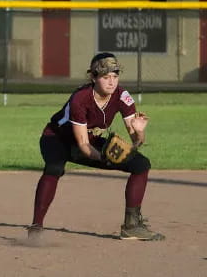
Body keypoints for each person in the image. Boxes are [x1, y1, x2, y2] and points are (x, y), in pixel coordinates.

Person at [27, 52, 165, 241]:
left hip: (88, 138)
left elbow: (136, 143)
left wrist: (139, 132)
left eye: (115, 76)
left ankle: (132, 226)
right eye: (105, 77)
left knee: (141, 165)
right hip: (56, 138)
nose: (111, 82)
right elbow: (83, 146)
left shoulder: (122, 96)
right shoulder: (80, 99)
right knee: (54, 168)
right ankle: (36, 227)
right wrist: (105, 158)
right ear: (93, 77)